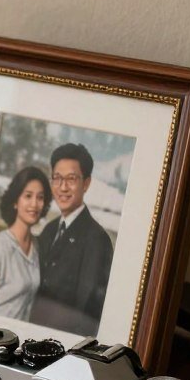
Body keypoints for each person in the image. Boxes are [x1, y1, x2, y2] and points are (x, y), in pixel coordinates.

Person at [29, 143, 114, 334]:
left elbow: (87, 310)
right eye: (57, 178)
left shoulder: (97, 240)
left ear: (86, 183)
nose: (63, 187)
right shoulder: (50, 229)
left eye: (71, 179)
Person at [0, 167, 52, 320]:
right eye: (28, 196)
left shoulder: (36, 247)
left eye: (40, 198)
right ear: (15, 201)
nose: (34, 204)